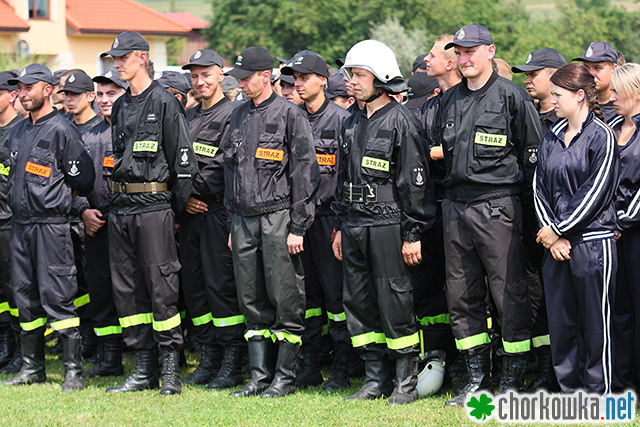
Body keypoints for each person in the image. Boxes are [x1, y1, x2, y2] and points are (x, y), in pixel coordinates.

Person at [437, 24, 541, 405]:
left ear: (490, 52)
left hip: (499, 206)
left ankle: (512, 379)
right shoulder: (449, 101)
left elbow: (534, 160)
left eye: (470, 51)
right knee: (461, 295)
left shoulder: (512, 97)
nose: (463, 59)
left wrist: (533, 219)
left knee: (508, 294)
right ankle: (476, 378)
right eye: (459, 52)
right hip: (455, 206)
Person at [331, 39, 435, 405]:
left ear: (381, 78)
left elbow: (415, 187)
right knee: (358, 304)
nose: (351, 81)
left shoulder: (404, 122)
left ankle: (404, 382)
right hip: (355, 225)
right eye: (349, 74)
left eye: (359, 75)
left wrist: (412, 234)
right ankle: (374, 379)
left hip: (390, 226)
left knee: (395, 304)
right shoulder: (350, 121)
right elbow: (342, 179)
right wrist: (341, 226)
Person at [100, 31, 198, 395]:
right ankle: (143, 367)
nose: (116, 64)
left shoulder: (165, 101)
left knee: (162, 287)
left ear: (142, 57)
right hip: (121, 208)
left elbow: (183, 163)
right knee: (127, 291)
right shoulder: (122, 105)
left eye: (122, 57)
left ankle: (170, 367)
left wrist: (173, 211)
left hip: (155, 208)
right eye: (113, 59)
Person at [223, 46, 319, 398]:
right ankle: (259, 375)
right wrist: (233, 223)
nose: (242, 85)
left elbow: (305, 175)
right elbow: (229, 173)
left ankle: (285, 376)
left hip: (278, 217)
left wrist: (298, 225)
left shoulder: (291, 116)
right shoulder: (236, 116)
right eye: (240, 79)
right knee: (250, 299)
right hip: (243, 220)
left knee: (285, 297)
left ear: (267, 76)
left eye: (247, 78)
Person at [2, 63, 94, 391]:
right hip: (21, 226)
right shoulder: (17, 130)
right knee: (24, 294)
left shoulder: (62, 129)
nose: (23, 94)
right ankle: (32, 367)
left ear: (46, 90)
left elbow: (83, 178)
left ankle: (73, 371)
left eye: (29, 88)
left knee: (58, 294)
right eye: (20, 89)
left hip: (51, 226)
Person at [534, 63, 619, 394]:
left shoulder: (602, 137)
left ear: (580, 95)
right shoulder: (551, 137)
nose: (553, 101)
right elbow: (538, 188)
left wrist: (559, 229)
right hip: (556, 246)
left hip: (593, 245)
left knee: (596, 324)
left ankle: (599, 392)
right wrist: (551, 235)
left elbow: (596, 192)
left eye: (558, 95)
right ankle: (571, 391)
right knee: (562, 322)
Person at [280, 50, 352, 391]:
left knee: (336, 296)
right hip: (297, 220)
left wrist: (339, 224)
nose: (298, 84)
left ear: (323, 80)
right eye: (295, 78)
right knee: (305, 298)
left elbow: (345, 175)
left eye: (305, 77)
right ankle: (308, 366)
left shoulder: (341, 120)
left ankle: (342, 366)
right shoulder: (290, 117)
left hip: (328, 219)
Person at [179, 49, 245, 389]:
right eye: (194, 76)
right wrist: (183, 198)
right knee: (195, 288)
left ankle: (233, 358)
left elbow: (224, 164)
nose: (200, 81)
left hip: (217, 212)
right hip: (189, 216)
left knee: (222, 286)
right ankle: (209, 355)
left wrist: (192, 193)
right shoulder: (187, 117)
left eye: (206, 74)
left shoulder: (233, 115)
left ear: (221, 75)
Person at [511, 47, 567, 392]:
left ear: (556, 76)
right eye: (526, 74)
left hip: (561, 229)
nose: (528, 80)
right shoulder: (523, 114)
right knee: (532, 296)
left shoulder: (570, 122)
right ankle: (544, 372)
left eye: (535, 74)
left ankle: (561, 374)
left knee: (557, 299)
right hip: (525, 222)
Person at [413, 33, 463, 386]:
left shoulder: (469, 101)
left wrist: (435, 152)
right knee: (429, 286)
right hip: (430, 207)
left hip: (462, 204)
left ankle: (469, 363)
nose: (425, 59)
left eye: (432, 55)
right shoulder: (430, 105)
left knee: (464, 287)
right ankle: (435, 354)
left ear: (450, 62)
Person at [79, 69, 128, 378]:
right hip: (94, 225)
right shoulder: (86, 135)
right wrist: (83, 210)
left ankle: (151, 354)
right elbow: (70, 180)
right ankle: (109, 357)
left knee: (136, 291)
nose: (105, 100)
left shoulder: (133, 131)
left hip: (126, 224)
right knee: (101, 291)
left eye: (112, 93)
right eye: (100, 94)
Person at [58, 70, 104, 361]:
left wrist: (90, 211)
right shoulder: (60, 129)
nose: (69, 99)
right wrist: (80, 208)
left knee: (96, 281)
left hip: (98, 219)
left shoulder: (103, 129)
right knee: (73, 282)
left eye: (75, 94)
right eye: (66, 94)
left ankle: (102, 341)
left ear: (91, 96)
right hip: (68, 216)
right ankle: (85, 333)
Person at [606, 63, 640, 391]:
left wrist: (623, 220)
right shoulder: (611, 126)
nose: (612, 97)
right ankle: (622, 383)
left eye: (618, 92)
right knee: (620, 311)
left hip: (634, 231)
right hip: (613, 232)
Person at [0, 72, 21, 374]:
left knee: (17, 289)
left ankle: (20, 347)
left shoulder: (21, 131)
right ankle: (4, 339)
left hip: (12, 222)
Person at [574, 42, 619, 122]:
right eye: (586, 68)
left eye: (597, 68)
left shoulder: (623, 107)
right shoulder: (576, 103)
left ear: (614, 69)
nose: (590, 73)